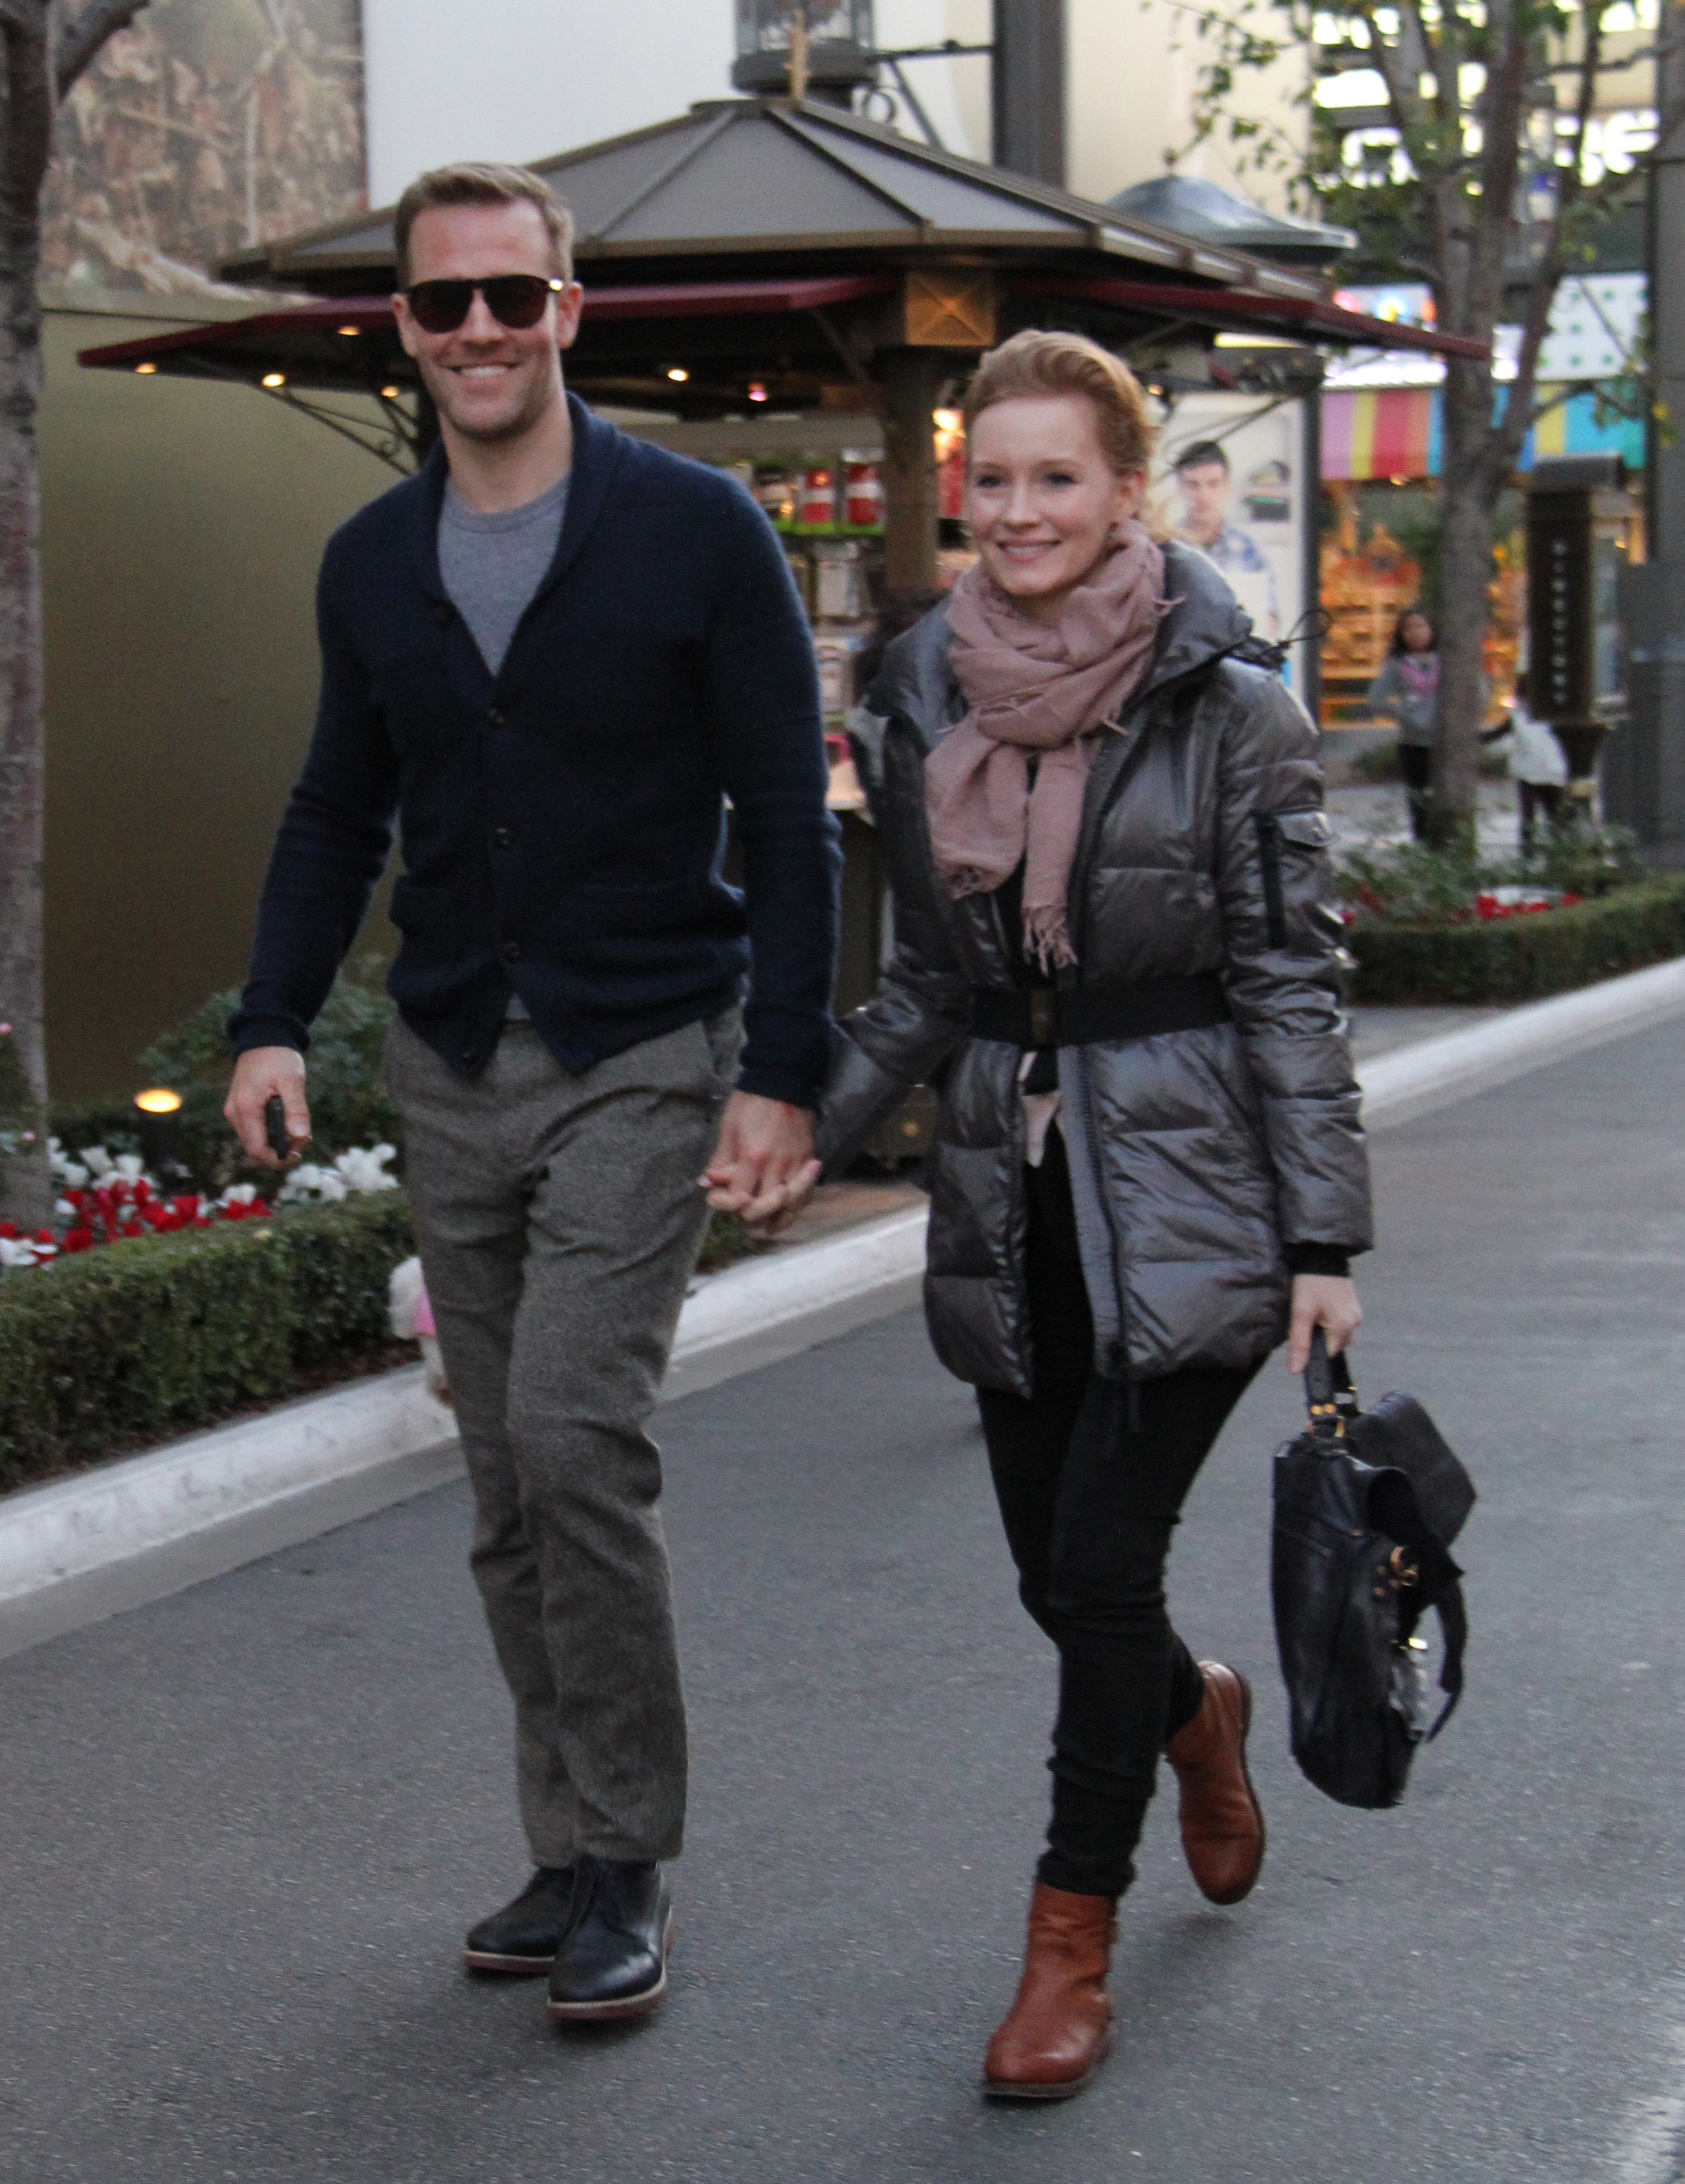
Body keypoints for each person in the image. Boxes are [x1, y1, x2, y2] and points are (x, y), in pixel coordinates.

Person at [223, 163, 838, 2028]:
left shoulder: (695, 527)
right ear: (404, 328)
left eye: (512, 296)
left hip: (642, 1047)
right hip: (449, 1058)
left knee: (572, 1434)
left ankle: (630, 1848)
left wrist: (782, 1074)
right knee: (503, 1476)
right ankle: (564, 1844)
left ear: (568, 310)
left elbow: (787, 813)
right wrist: (270, 1019)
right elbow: (335, 806)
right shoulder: (371, 560)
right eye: (444, 302)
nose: (479, 329)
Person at [809, 331, 1371, 2100]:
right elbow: (922, 980)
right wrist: (791, 1130)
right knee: (1053, 1581)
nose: (1019, 509)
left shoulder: (1230, 704)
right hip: (1008, 1183)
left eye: (1057, 476)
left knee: (1097, 1569)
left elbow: (1288, 980)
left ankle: (1066, 1946)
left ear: (1127, 490)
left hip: (1192, 1187)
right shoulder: (920, 693)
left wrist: (1322, 1242)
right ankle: (1195, 1711)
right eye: (992, 477)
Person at [1170, 438, 1279, 638]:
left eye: (1213, 484)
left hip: (1236, 655)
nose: (1203, 495)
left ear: (1227, 486)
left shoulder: (1250, 552)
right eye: (1193, 484)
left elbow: (1269, 622)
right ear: (1180, 487)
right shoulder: (1165, 549)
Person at [1367, 606, 1440, 842]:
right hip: (1413, 743)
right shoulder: (1397, 664)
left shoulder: (1446, 660)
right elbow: (1376, 699)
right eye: (1408, 629)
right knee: (1419, 800)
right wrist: (1404, 713)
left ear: (1432, 629)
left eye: (1421, 626)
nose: (1415, 633)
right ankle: (1422, 847)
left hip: (1446, 743)